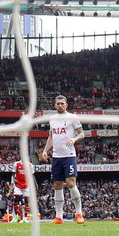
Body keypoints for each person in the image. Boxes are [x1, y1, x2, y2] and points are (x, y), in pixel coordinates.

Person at [39, 95, 85, 224]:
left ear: (66, 105)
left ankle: (79, 214)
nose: (60, 105)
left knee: (70, 184)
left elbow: (82, 133)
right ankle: (59, 217)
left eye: (62, 103)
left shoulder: (72, 117)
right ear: (55, 105)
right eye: (58, 103)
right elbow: (51, 136)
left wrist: (74, 139)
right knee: (57, 185)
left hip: (69, 156)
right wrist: (45, 151)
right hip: (56, 157)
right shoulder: (52, 119)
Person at [7, 158, 34, 223]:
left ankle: (25, 218)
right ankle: (17, 216)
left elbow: (32, 176)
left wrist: (35, 185)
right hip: (17, 185)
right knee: (16, 200)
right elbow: (13, 174)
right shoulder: (16, 164)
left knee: (26, 202)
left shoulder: (30, 165)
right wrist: (13, 183)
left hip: (26, 185)